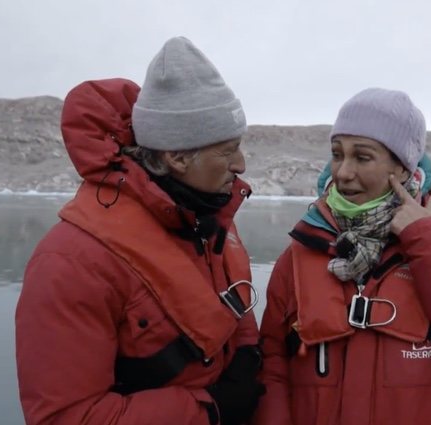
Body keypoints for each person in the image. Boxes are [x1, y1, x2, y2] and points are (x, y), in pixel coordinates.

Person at [15, 37, 265, 425]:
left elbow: (236, 308)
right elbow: (65, 417)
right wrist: (208, 411)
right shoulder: (71, 262)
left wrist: (249, 356)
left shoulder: (208, 222)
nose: (241, 164)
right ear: (177, 156)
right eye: (227, 150)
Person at [253, 88, 431, 425]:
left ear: (402, 168)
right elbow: (273, 366)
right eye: (337, 154)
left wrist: (427, 240)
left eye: (362, 156)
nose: (342, 172)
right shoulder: (301, 253)